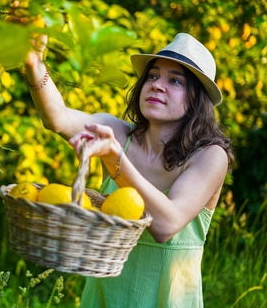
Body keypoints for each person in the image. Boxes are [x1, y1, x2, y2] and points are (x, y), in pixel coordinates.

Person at [23, 32, 234, 307]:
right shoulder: (119, 133)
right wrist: (33, 62)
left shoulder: (210, 156)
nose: (157, 85)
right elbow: (57, 117)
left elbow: (166, 224)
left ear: (197, 98)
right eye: (152, 76)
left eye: (175, 80)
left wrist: (116, 159)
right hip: (103, 299)